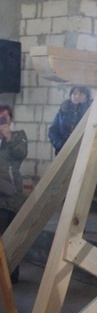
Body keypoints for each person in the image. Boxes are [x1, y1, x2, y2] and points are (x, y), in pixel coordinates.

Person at [0, 105, 28, 283]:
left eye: (5, 118)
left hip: (10, 193)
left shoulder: (18, 135)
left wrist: (8, 136)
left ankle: (11, 273)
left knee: (9, 235)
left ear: (10, 119)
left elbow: (21, 154)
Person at [48, 86, 91, 155]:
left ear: (86, 97)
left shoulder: (91, 112)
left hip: (83, 152)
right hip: (63, 151)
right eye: (74, 94)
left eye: (80, 94)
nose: (77, 96)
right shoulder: (63, 111)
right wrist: (60, 144)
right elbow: (53, 131)